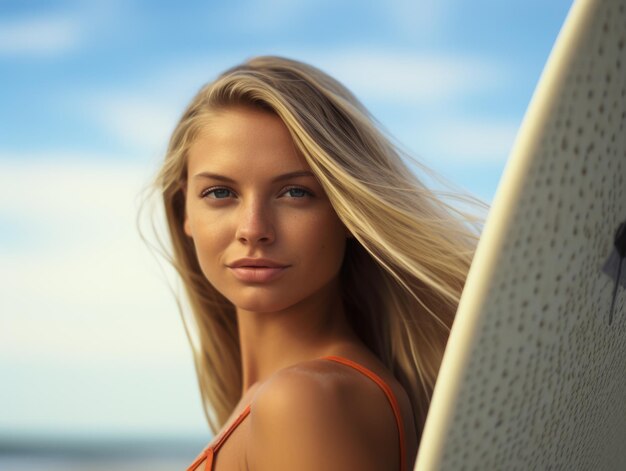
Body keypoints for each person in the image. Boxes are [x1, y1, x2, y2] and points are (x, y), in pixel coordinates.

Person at [152, 55, 484, 470]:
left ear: (347, 211)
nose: (253, 229)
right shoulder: (289, 396)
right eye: (220, 193)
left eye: (295, 193)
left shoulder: (303, 400)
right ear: (185, 209)